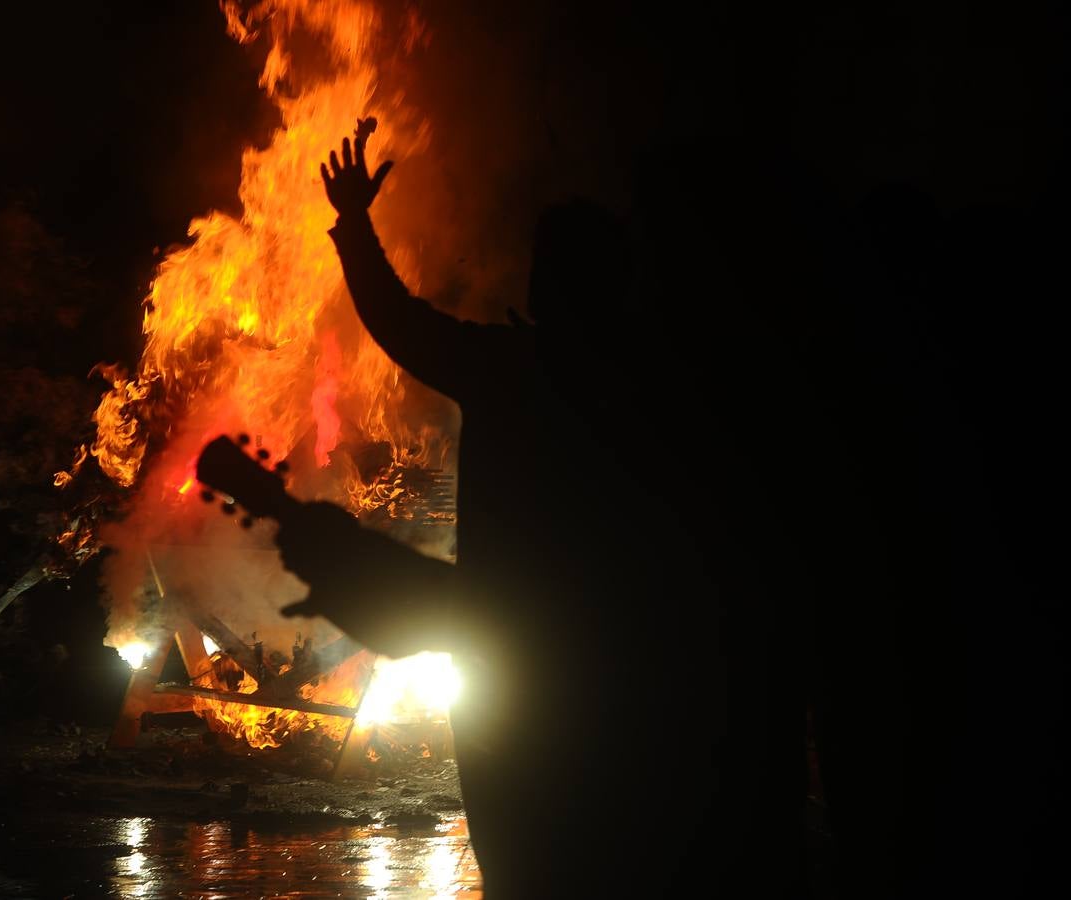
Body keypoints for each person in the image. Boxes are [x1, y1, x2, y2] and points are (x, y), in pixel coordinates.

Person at [277, 123, 814, 897]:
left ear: (544, 287)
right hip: (630, 661)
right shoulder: (675, 382)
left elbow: (397, 321)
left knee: (529, 851)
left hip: (518, 662)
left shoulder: (509, 368)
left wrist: (355, 224)